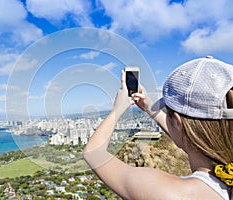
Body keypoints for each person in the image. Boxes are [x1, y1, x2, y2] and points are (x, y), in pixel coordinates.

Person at [83, 56, 233, 200]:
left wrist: (117, 109)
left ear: (177, 123)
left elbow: (93, 153)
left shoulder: (174, 193)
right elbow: (194, 141)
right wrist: (149, 107)